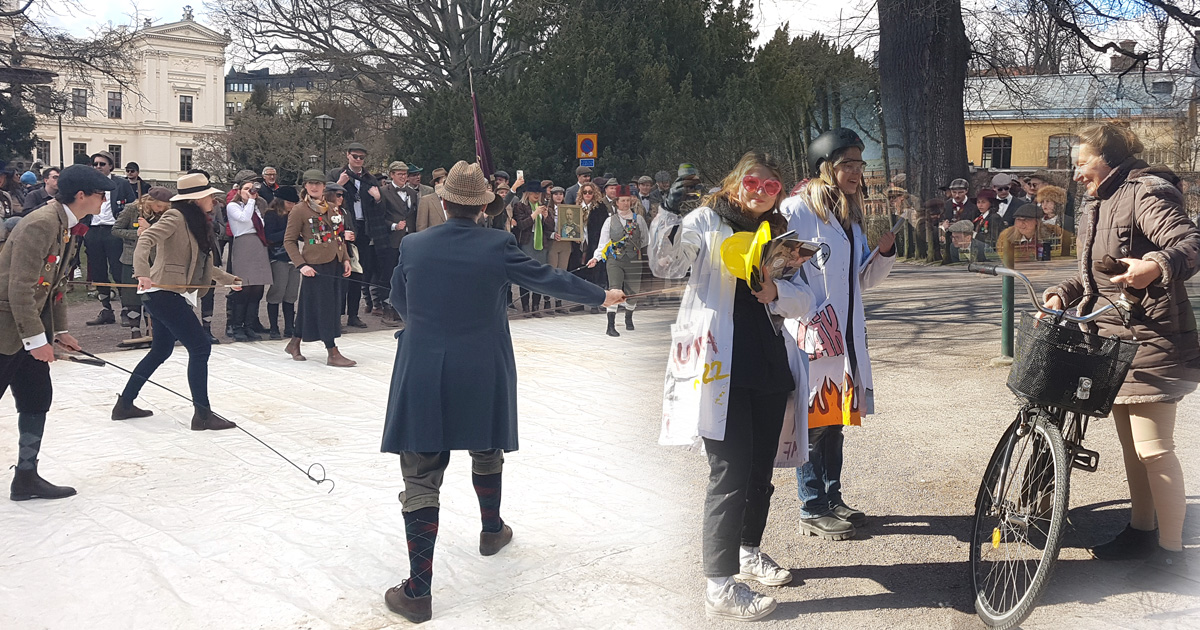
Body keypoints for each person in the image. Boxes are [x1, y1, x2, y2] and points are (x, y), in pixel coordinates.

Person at [380, 160, 625, 624]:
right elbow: (548, 278)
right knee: (486, 443)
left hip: (423, 365)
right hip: (481, 364)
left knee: (421, 472)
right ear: (483, 208)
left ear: (444, 203)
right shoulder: (497, 244)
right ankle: (491, 530)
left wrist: (426, 328)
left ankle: (418, 591)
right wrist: (601, 295)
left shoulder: (413, 244)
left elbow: (398, 298)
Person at [650, 151, 815, 621]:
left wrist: (777, 292)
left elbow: (807, 298)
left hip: (768, 363)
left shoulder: (781, 234)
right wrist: (668, 213)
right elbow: (666, 264)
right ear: (736, 182)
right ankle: (719, 586)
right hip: (720, 364)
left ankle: (748, 551)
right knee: (730, 471)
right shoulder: (707, 220)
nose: (761, 192)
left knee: (760, 469)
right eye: (753, 182)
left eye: (771, 186)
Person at [1044, 122, 1200, 569]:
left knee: (1154, 448)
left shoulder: (1144, 191)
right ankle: (1141, 531)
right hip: (1113, 342)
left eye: (1082, 164)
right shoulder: (1101, 201)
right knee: (1133, 451)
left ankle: (1172, 554)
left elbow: (1190, 243)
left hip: (1152, 339)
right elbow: (1097, 272)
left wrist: (1155, 265)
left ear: (1107, 159)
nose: (1076, 174)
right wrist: (1062, 293)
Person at [782, 128, 896, 541]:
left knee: (835, 421)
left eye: (859, 164)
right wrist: (807, 314)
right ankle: (811, 507)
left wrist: (883, 254)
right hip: (812, 333)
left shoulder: (849, 216)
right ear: (825, 167)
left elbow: (860, 279)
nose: (856, 171)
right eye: (847, 163)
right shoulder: (796, 210)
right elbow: (780, 271)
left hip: (845, 334)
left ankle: (832, 497)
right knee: (814, 422)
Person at [0, 165, 112, 500]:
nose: (104, 200)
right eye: (100, 194)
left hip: (29, 327)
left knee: (37, 398)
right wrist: (36, 341)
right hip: (8, 329)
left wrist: (60, 330)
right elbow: (20, 288)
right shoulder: (42, 223)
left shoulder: (66, 224)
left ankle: (26, 477)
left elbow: (55, 285)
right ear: (81, 195)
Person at [113, 172, 244, 431]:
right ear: (195, 199)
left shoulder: (195, 221)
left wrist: (229, 279)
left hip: (169, 294)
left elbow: (201, 263)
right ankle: (202, 415)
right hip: (162, 292)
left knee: (161, 350)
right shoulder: (175, 217)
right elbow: (146, 239)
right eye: (208, 196)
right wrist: (142, 273)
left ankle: (125, 404)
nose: (213, 200)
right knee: (200, 347)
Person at [282, 170, 355, 367]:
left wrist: (345, 259)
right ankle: (332, 351)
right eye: (310, 183)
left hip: (334, 263)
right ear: (305, 186)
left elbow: (339, 237)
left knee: (311, 305)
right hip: (314, 265)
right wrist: (301, 265)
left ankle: (294, 343)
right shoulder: (300, 210)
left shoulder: (332, 208)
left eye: (318, 184)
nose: (314, 187)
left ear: (324, 187)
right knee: (325, 308)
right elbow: (289, 241)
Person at [83, 151, 138, 326]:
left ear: (111, 166)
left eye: (102, 164)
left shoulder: (121, 184)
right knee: (98, 271)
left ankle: (126, 309)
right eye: (95, 164)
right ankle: (106, 309)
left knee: (118, 270)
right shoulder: (88, 185)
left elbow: (133, 206)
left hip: (113, 231)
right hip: (93, 230)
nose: (98, 167)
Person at [112, 187, 174, 340]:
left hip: (154, 259)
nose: (161, 209)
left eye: (164, 207)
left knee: (151, 296)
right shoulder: (131, 209)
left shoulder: (166, 214)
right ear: (150, 201)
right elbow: (116, 230)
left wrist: (149, 229)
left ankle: (150, 330)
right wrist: (136, 233)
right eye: (158, 206)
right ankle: (134, 330)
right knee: (132, 296)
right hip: (131, 258)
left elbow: (166, 234)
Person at [588, 188, 649, 335]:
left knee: (633, 291)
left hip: (633, 260)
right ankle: (610, 326)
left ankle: (628, 317)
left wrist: (633, 249)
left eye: (628, 200)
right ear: (617, 202)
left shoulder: (639, 219)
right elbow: (603, 242)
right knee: (614, 290)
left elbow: (645, 240)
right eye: (623, 200)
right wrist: (596, 258)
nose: (626, 203)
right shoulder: (610, 221)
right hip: (615, 260)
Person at [332, 143, 382, 324]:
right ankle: (337, 316)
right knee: (341, 273)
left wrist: (378, 198)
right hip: (343, 226)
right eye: (355, 156)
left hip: (364, 228)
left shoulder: (369, 178)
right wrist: (339, 184)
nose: (359, 160)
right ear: (347, 155)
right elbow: (326, 198)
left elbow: (379, 207)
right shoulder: (337, 174)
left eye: (362, 157)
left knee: (358, 273)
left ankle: (353, 315)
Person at [377, 161, 419, 325]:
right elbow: (378, 217)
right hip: (391, 240)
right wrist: (394, 226)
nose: (403, 177)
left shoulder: (412, 193)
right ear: (392, 175)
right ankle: (386, 309)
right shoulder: (383, 192)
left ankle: (402, 308)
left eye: (405, 174)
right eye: (400, 174)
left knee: (406, 274)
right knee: (388, 274)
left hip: (409, 240)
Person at [263, 185, 302, 340]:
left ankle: (289, 327)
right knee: (277, 291)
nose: (292, 206)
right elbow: (270, 237)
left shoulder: (294, 214)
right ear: (280, 201)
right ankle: (274, 327)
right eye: (289, 203)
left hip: (294, 257)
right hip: (278, 256)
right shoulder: (271, 214)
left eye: (294, 203)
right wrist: (290, 231)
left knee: (291, 293)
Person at [511, 182, 552, 316]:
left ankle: (536, 306)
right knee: (526, 273)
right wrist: (534, 215)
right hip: (527, 242)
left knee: (539, 274)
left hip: (541, 243)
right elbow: (522, 225)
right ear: (527, 193)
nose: (537, 195)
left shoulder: (543, 206)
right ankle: (525, 306)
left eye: (539, 193)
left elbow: (550, 227)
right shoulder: (520, 206)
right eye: (534, 192)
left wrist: (546, 217)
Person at [579, 181, 610, 302]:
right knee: (580, 273)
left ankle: (596, 302)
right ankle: (580, 301)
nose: (587, 194)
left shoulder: (600, 207)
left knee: (595, 273)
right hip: (579, 244)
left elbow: (603, 227)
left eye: (590, 192)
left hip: (595, 243)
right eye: (585, 192)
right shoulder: (575, 206)